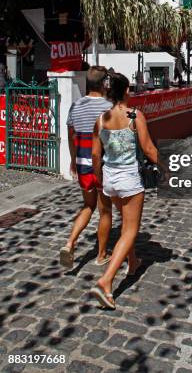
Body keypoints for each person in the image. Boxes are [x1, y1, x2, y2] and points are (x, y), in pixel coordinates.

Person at [90, 72, 162, 310]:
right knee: (131, 230)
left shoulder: (100, 119)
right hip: (130, 179)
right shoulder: (134, 116)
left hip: (110, 179)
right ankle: (106, 281)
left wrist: (99, 180)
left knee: (125, 224)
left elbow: (95, 155)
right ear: (125, 91)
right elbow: (149, 148)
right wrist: (166, 167)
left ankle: (132, 263)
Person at [60, 66, 113, 268]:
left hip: (82, 163)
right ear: (103, 84)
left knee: (88, 206)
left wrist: (73, 160)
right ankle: (101, 255)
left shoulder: (76, 106)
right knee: (105, 210)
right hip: (102, 165)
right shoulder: (108, 106)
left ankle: (69, 243)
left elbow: (72, 138)